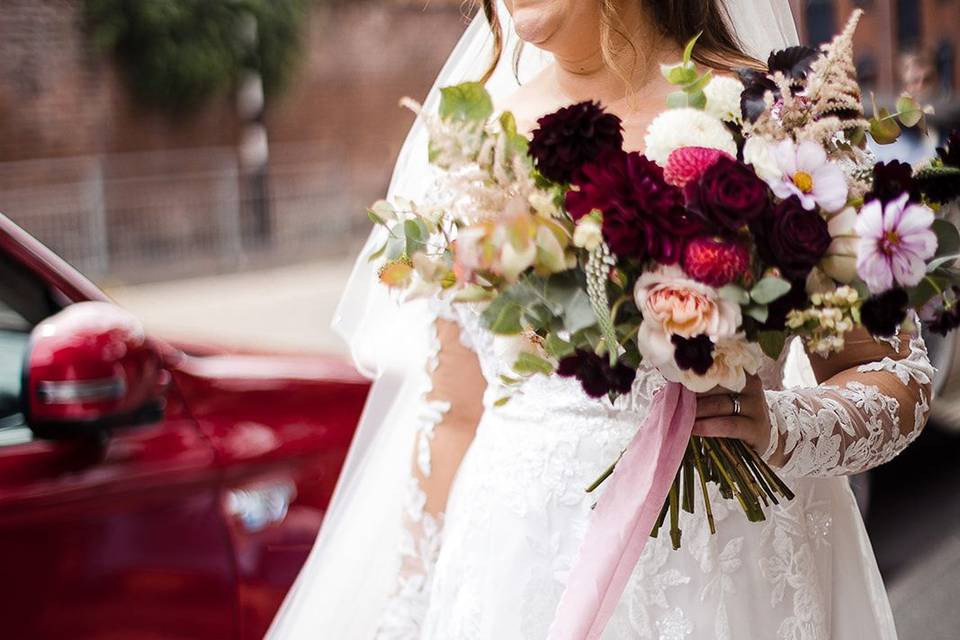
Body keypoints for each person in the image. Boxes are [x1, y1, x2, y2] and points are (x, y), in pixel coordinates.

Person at [269, 2, 933, 638]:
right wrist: (408, 614)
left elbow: (895, 373)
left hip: (731, 577)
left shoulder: (781, 125)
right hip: (514, 578)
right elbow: (457, 413)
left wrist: (780, 425)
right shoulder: (473, 150)